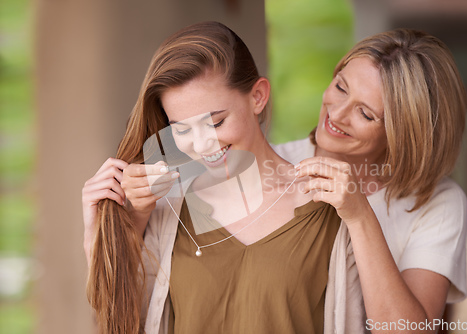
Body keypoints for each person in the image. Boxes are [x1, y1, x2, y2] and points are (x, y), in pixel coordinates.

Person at [82, 21, 364, 334]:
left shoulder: (329, 204)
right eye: (182, 129)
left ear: (257, 96)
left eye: (215, 123)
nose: (201, 145)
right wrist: (105, 230)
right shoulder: (167, 208)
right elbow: (115, 321)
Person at [274, 28, 467, 333]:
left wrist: (360, 216)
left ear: (403, 136)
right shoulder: (274, 162)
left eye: (365, 114)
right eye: (340, 87)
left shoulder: (438, 202)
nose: (336, 114)